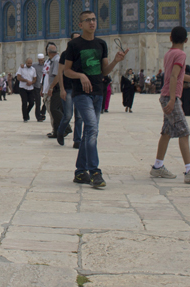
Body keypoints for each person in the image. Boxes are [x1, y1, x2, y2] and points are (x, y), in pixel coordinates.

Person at [62, 10, 127, 189]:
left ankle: (80, 172)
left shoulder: (101, 44)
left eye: (94, 19)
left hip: (98, 92)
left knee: (89, 133)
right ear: (80, 24)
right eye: (88, 20)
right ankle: (95, 171)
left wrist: (115, 61)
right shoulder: (73, 45)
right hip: (81, 94)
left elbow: (104, 71)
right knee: (91, 128)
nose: (92, 22)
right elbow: (66, 71)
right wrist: (81, 75)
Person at [150, 26, 190, 183]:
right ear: (186, 40)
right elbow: (173, 76)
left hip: (166, 95)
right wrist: (173, 99)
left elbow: (179, 75)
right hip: (170, 96)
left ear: (170, 38)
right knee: (184, 132)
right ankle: (189, 170)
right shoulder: (181, 54)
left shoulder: (169, 54)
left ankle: (158, 167)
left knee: (166, 132)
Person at [55, 32, 81, 147]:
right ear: (70, 41)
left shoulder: (82, 53)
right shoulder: (65, 54)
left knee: (79, 117)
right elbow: (60, 72)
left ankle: (77, 140)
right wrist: (62, 89)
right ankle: (60, 131)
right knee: (68, 115)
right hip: (68, 88)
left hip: (79, 89)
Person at [42, 42, 64, 139]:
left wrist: (51, 87)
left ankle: (62, 128)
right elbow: (45, 76)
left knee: (53, 110)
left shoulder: (56, 60)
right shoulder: (49, 61)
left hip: (54, 88)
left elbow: (58, 76)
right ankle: (56, 129)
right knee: (51, 110)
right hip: (48, 88)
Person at [16, 57, 38, 122]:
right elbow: (18, 77)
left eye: (31, 63)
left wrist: (32, 82)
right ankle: (25, 117)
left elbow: (35, 78)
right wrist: (26, 81)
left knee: (31, 102)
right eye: (28, 63)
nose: (29, 64)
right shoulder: (21, 68)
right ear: (26, 62)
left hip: (30, 88)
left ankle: (26, 113)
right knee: (24, 102)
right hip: (23, 87)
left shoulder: (33, 69)